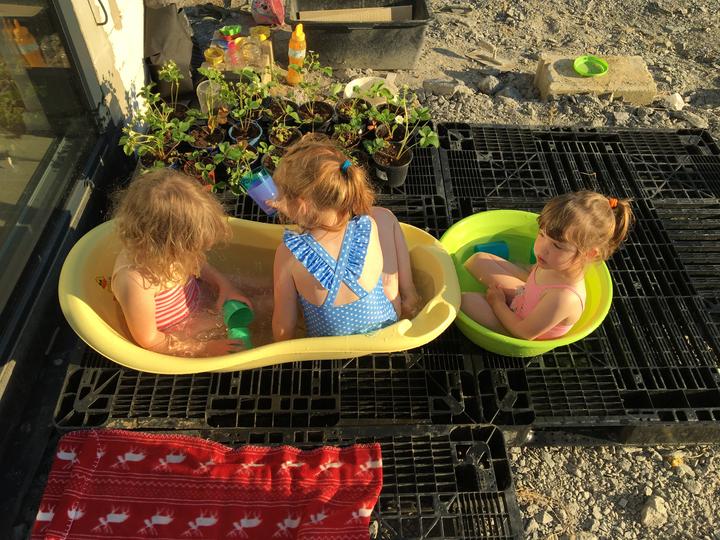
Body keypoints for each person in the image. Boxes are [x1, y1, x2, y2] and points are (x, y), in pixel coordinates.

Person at [270, 135, 419, 340]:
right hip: (386, 328)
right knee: (385, 216)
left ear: (302, 205)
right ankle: (410, 295)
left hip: (328, 347)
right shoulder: (369, 225)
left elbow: (283, 329)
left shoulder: (288, 255)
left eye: (283, 195)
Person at [111, 169, 251, 356]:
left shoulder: (170, 253)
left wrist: (224, 285)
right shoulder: (135, 281)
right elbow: (150, 341)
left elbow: (198, 265)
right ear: (165, 245)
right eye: (191, 247)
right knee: (251, 315)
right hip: (181, 330)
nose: (197, 253)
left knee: (251, 288)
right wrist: (204, 348)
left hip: (198, 301)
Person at [461, 191, 634, 340]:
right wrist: (517, 267)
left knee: (462, 301)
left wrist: (497, 303)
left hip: (519, 326)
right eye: (542, 235)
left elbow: (523, 333)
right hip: (523, 297)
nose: (541, 249)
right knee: (478, 260)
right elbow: (533, 277)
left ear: (589, 254)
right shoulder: (553, 262)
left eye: (557, 246)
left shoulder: (565, 298)